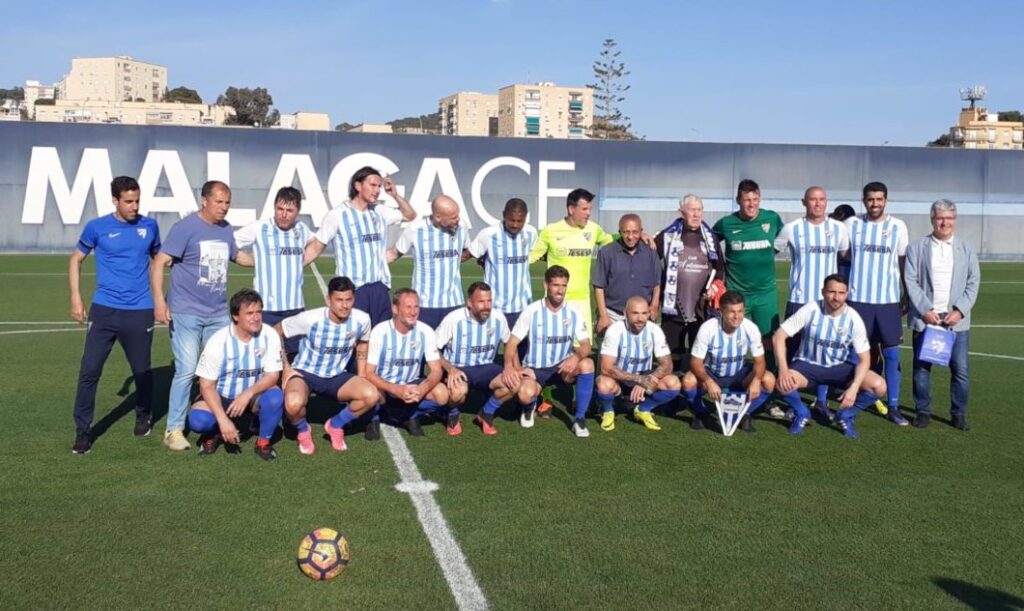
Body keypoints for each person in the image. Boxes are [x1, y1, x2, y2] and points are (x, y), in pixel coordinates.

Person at [151, 180, 254, 451]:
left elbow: (237, 256)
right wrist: (159, 301)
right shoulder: (185, 228)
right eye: (219, 201)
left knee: (219, 369)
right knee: (186, 369)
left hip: (218, 313)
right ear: (204, 201)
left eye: (227, 202)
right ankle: (174, 429)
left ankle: (217, 419)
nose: (224, 207)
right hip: (186, 311)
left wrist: (266, 260)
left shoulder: (226, 229)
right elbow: (159, 262)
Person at [69, 176, 161, 453]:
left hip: (140, 310)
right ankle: (83, 431)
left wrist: (161, 299)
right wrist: (76, 297)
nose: (135, 206)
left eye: (137, 200)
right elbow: (76, 259)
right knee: (89, 371)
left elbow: (160, 260)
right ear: (115, 200)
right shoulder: (96, 227)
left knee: (142, 371)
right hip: (104, 310)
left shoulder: (150, 226)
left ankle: (143, 414)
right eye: (129, 201)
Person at [773, 274, 887, 438]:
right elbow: (778, 336)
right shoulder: (811, 309)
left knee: (879, 386)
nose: (836, 297)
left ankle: (845, 416)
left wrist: (854, 388)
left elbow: (865, 359)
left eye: (841, 293)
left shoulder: (853, 318)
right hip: (808, 365)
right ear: (823, 292)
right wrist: (783, 370)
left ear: (847, 294)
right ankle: (802, 413)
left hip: (839, 368)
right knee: (782, 383)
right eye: (832, 292)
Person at [303, 166, 417, 325]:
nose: (377, 190)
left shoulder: (380, 211)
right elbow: (316, 247)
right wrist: (294, 268)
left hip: (379, 288)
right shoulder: (337, 215)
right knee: (354, 336)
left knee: (381, 335)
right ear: (357, 185)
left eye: (379, 186)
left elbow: (410, 215)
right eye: (373, 185)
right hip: (353, 290)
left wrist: (395, 195)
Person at [279, 276, 378, 454]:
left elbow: (363, 343)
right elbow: (275, 332)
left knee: (371, 395)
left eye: (349, 299)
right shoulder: (309, 319)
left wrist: (362, 374)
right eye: (339, 300)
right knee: (293, 403)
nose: (345, 305)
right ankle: (303, 430)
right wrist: (286, 367)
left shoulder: (362, 319)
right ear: (328, 300)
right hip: (305, 373)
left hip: (337, 376)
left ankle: (335, 425)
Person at [904, 199, 980, 430]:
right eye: (940, 218)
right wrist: (925, 310)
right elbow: (910, 280)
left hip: (955, 321)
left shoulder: (966, 248)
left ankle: (959, 413)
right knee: (922, 369)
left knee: (960, 370)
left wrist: (960, 311)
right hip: (927, 319)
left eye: (949, 218)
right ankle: (923, 411)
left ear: (954, 220)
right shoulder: (917, 247)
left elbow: (973, 282)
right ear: (932, 220)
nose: (944, 223)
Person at [776, 186, 850, 417]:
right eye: (813, 199)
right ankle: (792, 402)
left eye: (821, 199)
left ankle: (821, 401)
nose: (817, 203)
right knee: (794, 351)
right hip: (799, 299)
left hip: (827, 302)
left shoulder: (838, 228)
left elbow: (845, 256)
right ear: (804, 202)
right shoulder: (791, 229)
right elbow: (770, 254)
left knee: (825, 352)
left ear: (826, 202)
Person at [188, 289, 285, 460]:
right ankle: (214, 433)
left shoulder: (269, 335)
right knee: (198, 420)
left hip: (253, 396)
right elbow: (206, 386)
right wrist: (222, 420)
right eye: (249, 313)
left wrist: (247, 394)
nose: (256, 317)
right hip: (221, 396)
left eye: (258, 312)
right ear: (235, 316)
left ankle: (263, 442)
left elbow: (272, 376)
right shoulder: (218, 341)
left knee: (275, 398)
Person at [845, 181, 910, 425]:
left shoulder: (898, 226)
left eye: (879, 199)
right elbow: (843, 255)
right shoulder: (852, 224)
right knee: (856, 354)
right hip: (858, 301)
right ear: (864, 201)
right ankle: (853, 396)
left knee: (891, 355)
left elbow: (902, 262)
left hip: (887, 302)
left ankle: (893, 406)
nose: (875, 203)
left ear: (886, 200)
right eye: (871, 199)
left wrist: (906, 295)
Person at [504, 266, 595, 438]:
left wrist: (575, 357)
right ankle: (530, 406)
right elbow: (512, 343)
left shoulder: (573, 311)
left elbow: (586, 344)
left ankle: (579, 419)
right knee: (524, 395)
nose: (560, 290)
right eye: (555, 285)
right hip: (535, 370)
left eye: (564, 285)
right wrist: (513, 367)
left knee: (588, 364)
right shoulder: (532, 311)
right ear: (546, 285)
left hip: (562, 368)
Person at [435, 282, 526, 436]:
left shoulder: (498, 317)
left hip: (487, 368)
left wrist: (513, 368)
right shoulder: (454, 319)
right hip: (459, 368)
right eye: (481, 302)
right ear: (470, 303)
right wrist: (450, 369)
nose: (487, 306)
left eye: (489, 301)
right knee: (457, 392)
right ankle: (452, 413)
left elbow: (510, 345)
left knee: (514, 382)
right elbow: (434, 349)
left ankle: (486, 413)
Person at [234, 186, 314, 359]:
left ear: (298, 211)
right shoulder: (259, 228)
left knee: (295, 357)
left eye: (289, 210)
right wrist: (252, 261)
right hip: (266, 309)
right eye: (280, 209)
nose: (283, 214)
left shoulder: (302, 229)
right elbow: (230, 244)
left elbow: (317, 244)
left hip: (295, 308)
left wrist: (302, 261)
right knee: (264, 356)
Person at [681, 291, 776, 432]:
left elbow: (760, 360)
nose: (737, 316)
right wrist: (708, 381)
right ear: (721, 311)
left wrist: (756, 380)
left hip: (738, 374)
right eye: (732, 312)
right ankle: (701, 413)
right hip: (712, 373)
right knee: (688, 381)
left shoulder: (750, 328)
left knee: (769, 379)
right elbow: (695, 362)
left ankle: (744, 413)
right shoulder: (708, 328)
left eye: (740, 311)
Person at [365, 289, 452, 436]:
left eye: (416, 306)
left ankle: (408, 415)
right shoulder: (380, 331)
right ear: (395, 309)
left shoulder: (426, 331)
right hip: (385, 386)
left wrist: (422, 389)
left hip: (412, 384)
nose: (413, 312)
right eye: (408, 307)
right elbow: (369, 373)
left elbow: (436, 370)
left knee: (442, 394)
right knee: (371, 394)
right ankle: (374, 418)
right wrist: (395, 389)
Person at [654, 194, 726, 371]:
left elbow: (720, 269)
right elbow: (649, 258)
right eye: (692, 210)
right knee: (671, 357)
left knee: (698, 357)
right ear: (681, 212)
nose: (696, 214)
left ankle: (693, 386)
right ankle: (672, 386)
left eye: (699, 210)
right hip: (673, 308)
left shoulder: (710, 237)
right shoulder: (668, 235)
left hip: (701, 308)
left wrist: (714, 287)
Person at [529, 188, 614, 336]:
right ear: (571, 209)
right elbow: (530, 257)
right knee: (553, 345)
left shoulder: (594, 229)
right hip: (556, 301)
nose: (589, 213)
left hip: (582, 302)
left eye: (590, 209)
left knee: (583, 347)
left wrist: (640, 234)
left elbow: (613, 240)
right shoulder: (551, 231)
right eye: (585, 209)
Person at [712, 179, 783, 349]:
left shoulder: (772, 219)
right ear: (738, 200)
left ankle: (769, 366)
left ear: (760, 198)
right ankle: (731, 366)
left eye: (755, 199)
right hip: (736, 292)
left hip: (765, 293)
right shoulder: (726, 223)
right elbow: (707, 241)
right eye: (747, 200)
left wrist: (768, 254)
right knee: (731, 338)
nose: (751, 204)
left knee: (768, 340)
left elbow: (787, 237)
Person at [595, 296, 681, 432]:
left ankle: (643, 409)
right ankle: (608, 411)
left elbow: (668, 365)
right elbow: (606, 368)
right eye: (635, 313)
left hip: (645, 378)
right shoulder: (615, 330)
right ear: (625, 313)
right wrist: (639, 379)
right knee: (603, 383)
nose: (640, 318)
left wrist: (647, 380)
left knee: (673, 382)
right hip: (620, 380)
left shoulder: (654, 330)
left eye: (644, 313)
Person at [389, 194, 469, 329]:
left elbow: (466, 251)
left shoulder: (462, 227)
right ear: (438, 217)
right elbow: (393, 254)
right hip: (424, 305)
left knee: (453, 342)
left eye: (458, 215)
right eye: (453, 217)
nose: (458, 219)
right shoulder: (415, 230)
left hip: (454, 303)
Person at [467, 198, 537, 335]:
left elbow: (537, 253)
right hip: (494, 307)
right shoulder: (488, 234)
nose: (515, 225)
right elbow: (468, 254)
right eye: (512, 220)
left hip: (522, 306)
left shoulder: (531, 233)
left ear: (526, 217)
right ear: (503, 214)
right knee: (487, 344)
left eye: (520, 221)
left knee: (520, 346)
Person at [593, 214, 662, 335]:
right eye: (626, 232)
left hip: (642, 316)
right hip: (613, 314)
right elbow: (599, 287)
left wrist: (654, 305)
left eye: (635, 232)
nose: (630, 237)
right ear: (619, 232)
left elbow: (657, 283)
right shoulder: (606, 253)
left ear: (641, 231)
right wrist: (603, 316)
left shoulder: (650, 252)